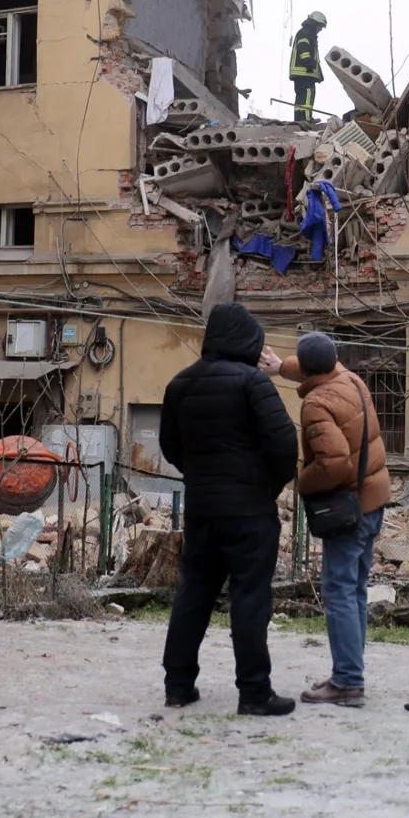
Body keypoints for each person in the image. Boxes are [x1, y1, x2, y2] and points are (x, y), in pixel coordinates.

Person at [159, 303, 301, 717]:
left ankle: (178, 686)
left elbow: (171, 447)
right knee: (250, 598)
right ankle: (254, 692)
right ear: (248, 342)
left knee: (193, 594)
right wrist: (267, 486)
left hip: (201, 509)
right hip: (250, 513)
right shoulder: (253, 384)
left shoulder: (179, 384)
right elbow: (284, 446)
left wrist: (201, 477)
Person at [273, 331, 390, 708]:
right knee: (354, 590)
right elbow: (314, 368)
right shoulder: (351, 380)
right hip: (373, 501)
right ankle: (350, 673)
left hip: (347, 510)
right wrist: (279, 368)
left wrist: (301, 483)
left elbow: (333, 462)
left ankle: (347, 682)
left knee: (339, 593)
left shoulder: (316, 404)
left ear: (307, 369)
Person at [289, 11, 327, 122]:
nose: (320, 29)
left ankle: (300, 119)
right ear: (315, 23)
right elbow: (303, 48)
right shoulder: (306, 33)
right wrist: (309, 63)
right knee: (307, 96)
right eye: (320, 26)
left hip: (301, 73)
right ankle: (306, 120)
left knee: (301, 97)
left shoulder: (305, 33)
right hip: (305, 72)